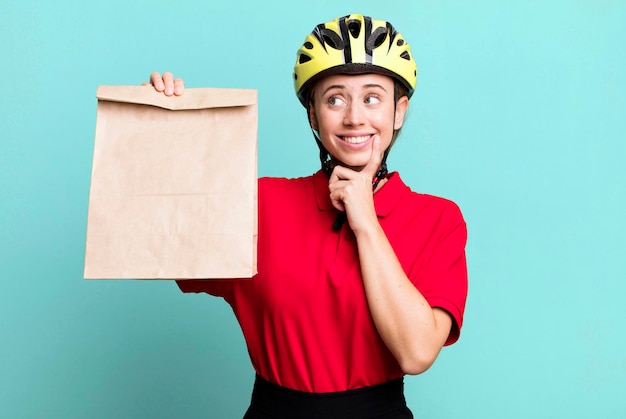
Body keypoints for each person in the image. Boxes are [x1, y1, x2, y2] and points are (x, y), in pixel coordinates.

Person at [149, 14, 467, 418]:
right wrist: (156, 130)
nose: (354, 117)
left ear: (398, 111)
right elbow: (155, 245)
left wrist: (365, 220)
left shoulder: (438, 219)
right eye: (335, 98)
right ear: (314, 116)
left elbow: (417, 353)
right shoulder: (261, 202)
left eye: (372, 97)